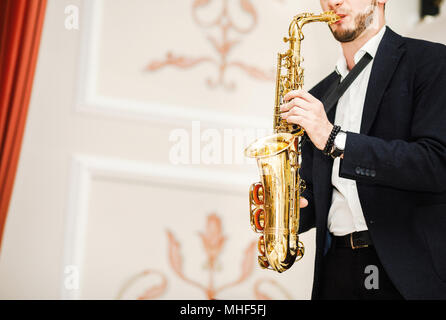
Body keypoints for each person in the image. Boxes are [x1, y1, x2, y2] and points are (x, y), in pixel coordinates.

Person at [280, 0, 446, 300]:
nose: (334, 2)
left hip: (407, 272)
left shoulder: (432, 62)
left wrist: (334, 138)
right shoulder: (320, 94)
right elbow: (320, 199)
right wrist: (287, 207)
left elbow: (435, 163)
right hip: (336, 267)